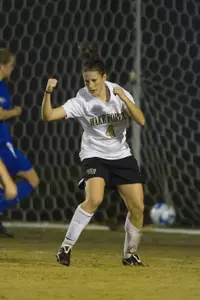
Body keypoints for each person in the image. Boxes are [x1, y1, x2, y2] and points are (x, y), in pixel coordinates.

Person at [41, 44, 146, 267]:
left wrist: (125, 100)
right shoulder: (81, 101)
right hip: (94, 155)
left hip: (120, 156)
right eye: (86, 81)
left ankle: (130, 255)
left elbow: (141, 120)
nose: (90, 85)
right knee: (94, 199)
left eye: (94, 81)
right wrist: (48, 92)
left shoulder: (120, 93)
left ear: (104, 77)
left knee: (138, 208)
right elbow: (48, 116)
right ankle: (65, 248)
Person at [0, 48, 40, 235]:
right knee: (32, 179)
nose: (12, 68)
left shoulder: (4, 86)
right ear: (2, 65)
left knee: (5, 184)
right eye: (11, 65)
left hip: (5, 142)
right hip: (3, 144)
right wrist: (15, 112)